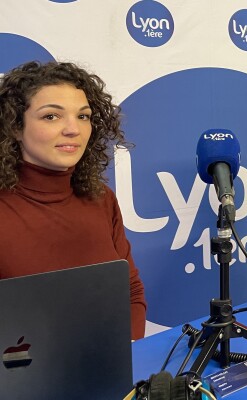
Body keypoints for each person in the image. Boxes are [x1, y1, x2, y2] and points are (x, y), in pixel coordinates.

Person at [0, 60, 146, 339]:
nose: (73, 129)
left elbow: (130, 291)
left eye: (83, 116)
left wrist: (125, 352)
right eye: (51, 116)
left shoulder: (101, 199)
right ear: (15, 127)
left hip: (112, 362)